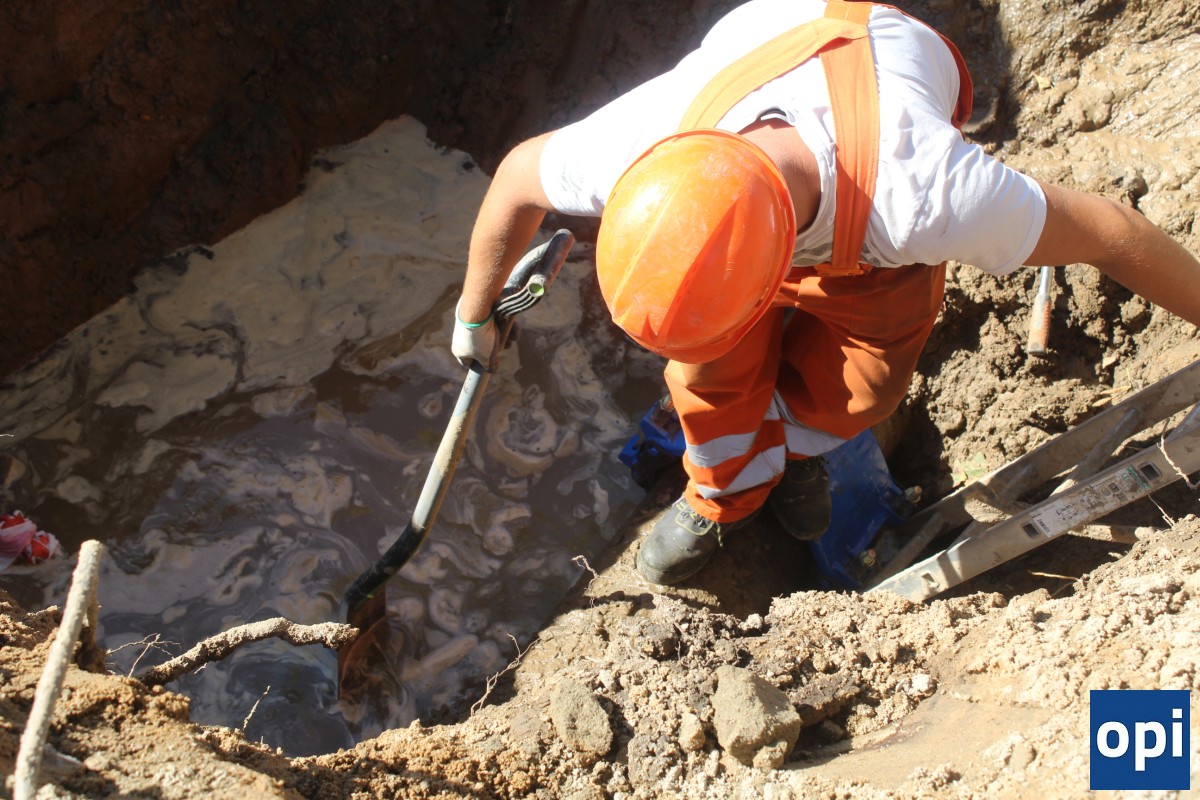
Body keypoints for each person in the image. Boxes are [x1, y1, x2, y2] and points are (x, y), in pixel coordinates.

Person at [452, 0, 1200, 586]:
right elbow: (519, 177)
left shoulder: (925, 200)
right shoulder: (639, 143)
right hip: (770, 44)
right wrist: (474, 314)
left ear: (776, 279)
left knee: (864, 382)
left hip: (878, 109)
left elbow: (1114, 233)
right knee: (707, 377)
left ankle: (800, 448)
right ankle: (723, 497)